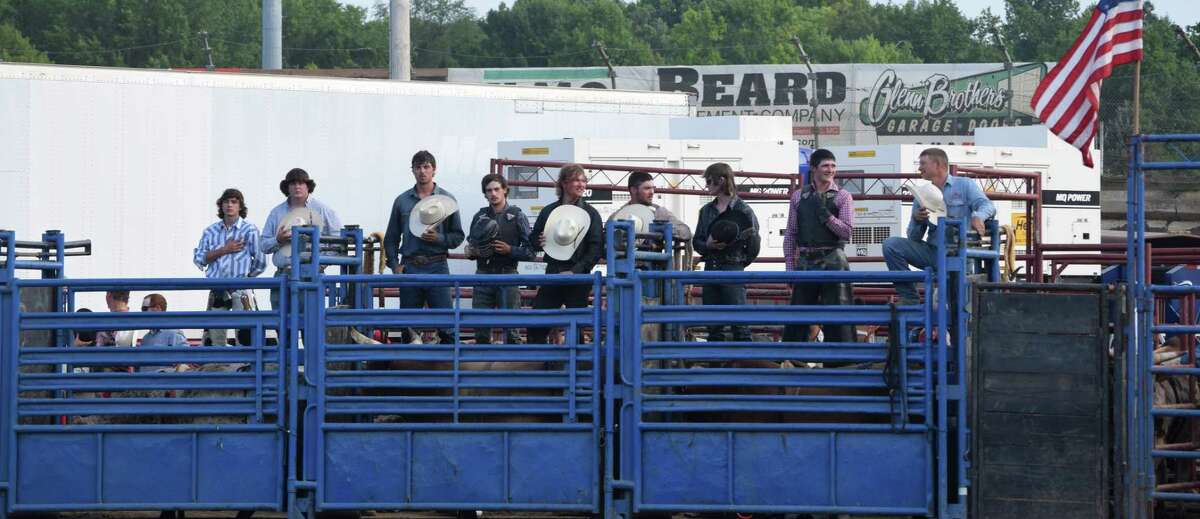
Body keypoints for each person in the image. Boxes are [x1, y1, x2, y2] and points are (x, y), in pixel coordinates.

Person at [882, 147, 996, 305]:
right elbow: (913, 238)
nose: (919, 168)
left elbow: (988, 206)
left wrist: (978, 216)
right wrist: (918, 220)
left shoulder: (965, 185)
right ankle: (909, 297)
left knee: (956, 306)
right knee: (891, 245)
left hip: (960, 254)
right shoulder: (922, 194)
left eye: (923, 163)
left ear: (938, 165)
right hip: (934, 253)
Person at [383, 150, 466, 344]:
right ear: (412, 170)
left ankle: (449, 372)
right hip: (410, 266)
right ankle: (410, 371)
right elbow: (391, 238)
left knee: (447, 325)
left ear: (434, 170)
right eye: (418, 167)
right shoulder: (401, 201)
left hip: (437, 265)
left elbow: (458, 236)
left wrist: (438, 238)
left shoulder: (448, 200)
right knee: (409, 327)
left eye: (426, 166)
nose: (422, 171)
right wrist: (395, 265)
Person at [782, 149, 854, 343]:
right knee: (798, 315)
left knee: (839, 316)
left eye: (833, 166)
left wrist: (826, 216)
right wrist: (790, 268)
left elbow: (847, 232)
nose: (830, 170)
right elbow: (791, 233)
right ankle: (793, 360)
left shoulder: (843, 196)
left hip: (833, 258)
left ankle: (843, 363)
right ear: (814, 169)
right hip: (806, 259)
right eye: (825, 165)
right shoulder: (798, 196)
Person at [527, 164, 604, 346]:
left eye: (583, 180)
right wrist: (538, 241)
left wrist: (576, 271)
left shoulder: (591, 213)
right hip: (554, 272)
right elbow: (533, 240)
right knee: (537, 322)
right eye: (576, 180)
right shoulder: (548, 211)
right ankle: (541, 365)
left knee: (575, 328)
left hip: (578, 276)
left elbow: (596, 248)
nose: (581, 184)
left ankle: (574, 370)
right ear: (563, 183)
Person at [692, 162, 760, 343]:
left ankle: (741, 366)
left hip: (729, 268)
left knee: (739, 323)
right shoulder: (707, 211)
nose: (706, 185)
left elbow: (754, 245)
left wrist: (737, 263)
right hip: (717, 268)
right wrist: (707, 246)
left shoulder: (743, 210)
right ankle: (720, 365)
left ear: (721, 180)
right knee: (714, 324)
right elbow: (696, 242)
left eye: (709, 181)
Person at [193, 188, 265, 346]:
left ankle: (246, 367)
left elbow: (260, 261)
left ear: (240, 206)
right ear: (221, 206)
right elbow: (199, 258)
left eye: (234, 202)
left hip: (241, 287)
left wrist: (246, 278)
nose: (230, 205)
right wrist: (224, 250)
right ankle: (217, 366)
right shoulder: (210, 231)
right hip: (217, 287)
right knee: (214, 337)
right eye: (226, 202)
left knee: (246, 335)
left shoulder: (249, 230)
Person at [465, 173, 532, 344]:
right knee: (480, 330)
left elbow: (531, 251)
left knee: (512, 331)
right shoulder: (479, 216)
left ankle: (513, 368)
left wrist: (510, 250)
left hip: (508, 274)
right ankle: (480, 368)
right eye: (489, 190)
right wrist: (473, 252)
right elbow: (470, 246)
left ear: (505, 191)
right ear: (485, 194)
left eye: (496, 189)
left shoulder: (518, 216)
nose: (493, 194)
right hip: (483, 274)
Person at [262, 168, 342, 309]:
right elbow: (263, 245)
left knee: (310, 325)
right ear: (287, 187)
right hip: (283, 276)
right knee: (280, 324)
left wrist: (321, 263)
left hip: (311, 275)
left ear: (308, 186)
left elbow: (338, 240)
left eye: (301, 183)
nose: (297, 187)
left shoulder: (323, 210)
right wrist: (278, 240)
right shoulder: (276, 212)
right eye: (293, 183)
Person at [608, 171, 693, 243]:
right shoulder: (617, 216)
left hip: (654, 262)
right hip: (626, 262)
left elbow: (686, 233)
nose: (652, 192)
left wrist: (663, 228)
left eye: (653, 188)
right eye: (647, 188)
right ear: (633, 190)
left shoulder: (660, 212)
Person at [138, 293, 188, 372]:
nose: (142, 313)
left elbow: (184, 362)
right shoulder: (145, 338)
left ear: (158, 308)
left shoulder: (173, 333)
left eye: (145, 309)